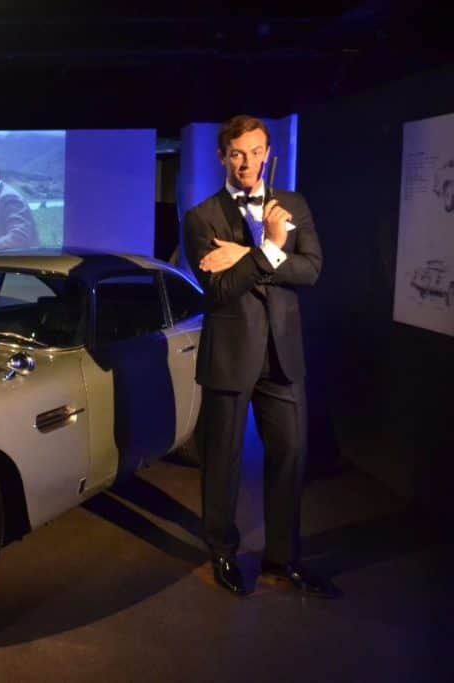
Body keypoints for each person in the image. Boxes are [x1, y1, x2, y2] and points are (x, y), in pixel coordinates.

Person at [183, 115, 339, 599]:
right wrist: (269, 248)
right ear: (222, 157)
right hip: (230, 355)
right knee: (223, 460)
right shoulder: (201, 218)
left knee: (290, 456)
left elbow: (312, 270)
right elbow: (221, 291)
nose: (247, 162)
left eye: (255, 151)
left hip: (284, 354)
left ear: (269, 152)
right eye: (236, 153)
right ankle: (223, 552)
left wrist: (251, 256)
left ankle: (282, 558)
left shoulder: (292, 205)